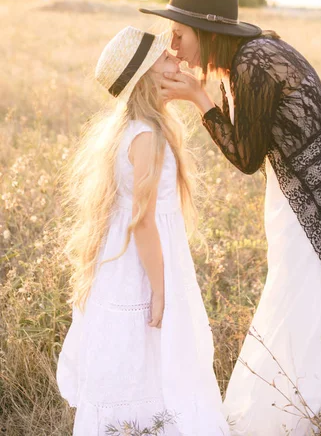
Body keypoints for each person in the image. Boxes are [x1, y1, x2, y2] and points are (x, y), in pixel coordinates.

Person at [139, 0, 321, 436]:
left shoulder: (252, 63)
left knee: (297, 307)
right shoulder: (249, 56)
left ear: (205, 31)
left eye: (179, 34)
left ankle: (275, 420)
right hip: (312, 191)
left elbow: (246, 158)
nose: (174, 44)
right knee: (294, 306)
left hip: (319, 201)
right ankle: (280, 414)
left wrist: (194, 95)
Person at [56, 26, 231, 436]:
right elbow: (143, 221)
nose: (176, 58)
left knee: (140, 351)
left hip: (131, 258)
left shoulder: (131, 127)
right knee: (152, 344)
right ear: (148, 77)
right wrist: (159, 288)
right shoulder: (147, 136)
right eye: (165, 59)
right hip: (144, 263)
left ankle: (144, 423)